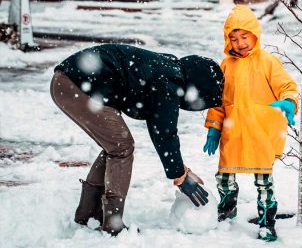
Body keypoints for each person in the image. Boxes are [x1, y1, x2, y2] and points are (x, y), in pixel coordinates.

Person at [50, 43, 224, 236]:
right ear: (197, 87)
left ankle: (89, 213)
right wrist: (179, 175)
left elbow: (159, 125)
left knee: (115, 146)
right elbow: (164, 132)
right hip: (74, 84)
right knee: (121, 147)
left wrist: (180, 171)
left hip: (68, 82)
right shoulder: (168, 82)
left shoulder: (166, 69)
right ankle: (112, 223)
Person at [203, 5, 299, 242]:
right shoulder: (225, 66)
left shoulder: (268, 62)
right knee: (224, 177)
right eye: (233, 38)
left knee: (263, 182)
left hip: (259, 133)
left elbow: (286, 86)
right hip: (232, 133)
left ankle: (267, 221)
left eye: (244, 36)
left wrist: (289, 101)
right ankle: (227, 207)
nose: (240, 42)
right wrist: (214, 129)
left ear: (255, 34)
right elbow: (218, 101)